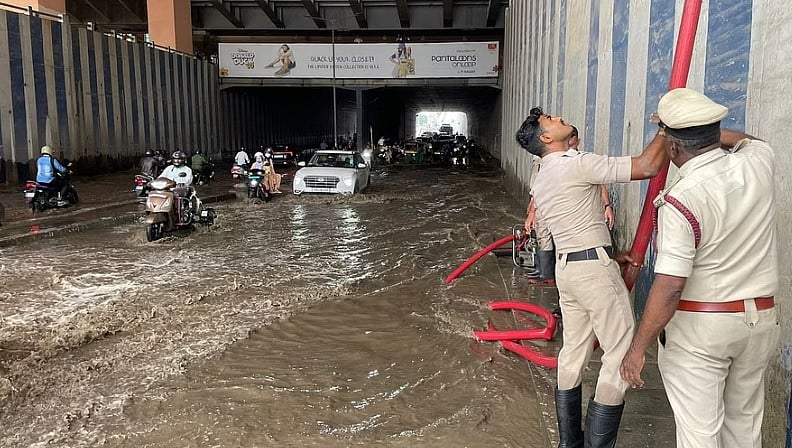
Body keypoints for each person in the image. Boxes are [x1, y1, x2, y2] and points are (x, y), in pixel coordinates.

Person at [618, 88, 779, 448]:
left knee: (700, 434)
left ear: (672, 149)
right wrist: (695, 130)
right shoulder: (759, 162)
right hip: (760, 323)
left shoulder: (681, 198)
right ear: (713, 132)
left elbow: (671, 285)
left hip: (702, 332)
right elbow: (750, 141)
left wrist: (637, 347)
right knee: (744, 429)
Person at [515, 106, 668, 448]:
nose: (557, 118)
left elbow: (572, 225)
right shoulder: (576, 163)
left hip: (568, 271)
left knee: (573, 352)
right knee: (620, 353)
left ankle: (569, 443)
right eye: (551, 121)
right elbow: (648, 166)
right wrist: (665, 131)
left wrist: (611, 255)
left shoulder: (543, 177)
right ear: (546, 137)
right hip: (593, 274)